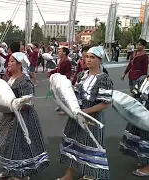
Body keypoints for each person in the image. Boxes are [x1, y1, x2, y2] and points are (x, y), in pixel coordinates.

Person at [0, 52, 50, 180]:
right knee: (6, 143)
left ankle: (21, 174)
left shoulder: (24, 81)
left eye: (12, 61)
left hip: (23, 117)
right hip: (10, 115)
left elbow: (28, 102)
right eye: (9, 61)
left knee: (19, 145)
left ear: (20, 65)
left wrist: (15, 105)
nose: (8, 63)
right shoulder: (11, 78)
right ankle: (9, 168)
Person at [57, 46, 113, 180]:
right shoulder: (82, 75)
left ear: (100, 60)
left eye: (92, 57)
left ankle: (91, 174)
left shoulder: (104, 79)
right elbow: (74, 94)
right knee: (72, 143)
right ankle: (69, 174)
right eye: (87, 56)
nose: (88, 59)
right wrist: (68, 108)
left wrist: (85, 111)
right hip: (76, 115)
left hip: (92, 117)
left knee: (90, 144)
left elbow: (105, 103)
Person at [119, 55, 149, 177]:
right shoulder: (142, 79)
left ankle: (148, 168)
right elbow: (134, 94)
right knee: (140, 137)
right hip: (139, 111)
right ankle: (144, 161)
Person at [48, 47, 72, 115]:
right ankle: (60, 106)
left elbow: (68, 72)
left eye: (60, 51)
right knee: (58, 94)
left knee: (64, 96)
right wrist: (52, 72)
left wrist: (65, 79)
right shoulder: (61, 60)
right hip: (59, 80)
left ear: (64, 53)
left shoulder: (67, 62)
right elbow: (58, 69)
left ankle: (66, 110)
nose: (58, 52)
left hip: (63, 81)